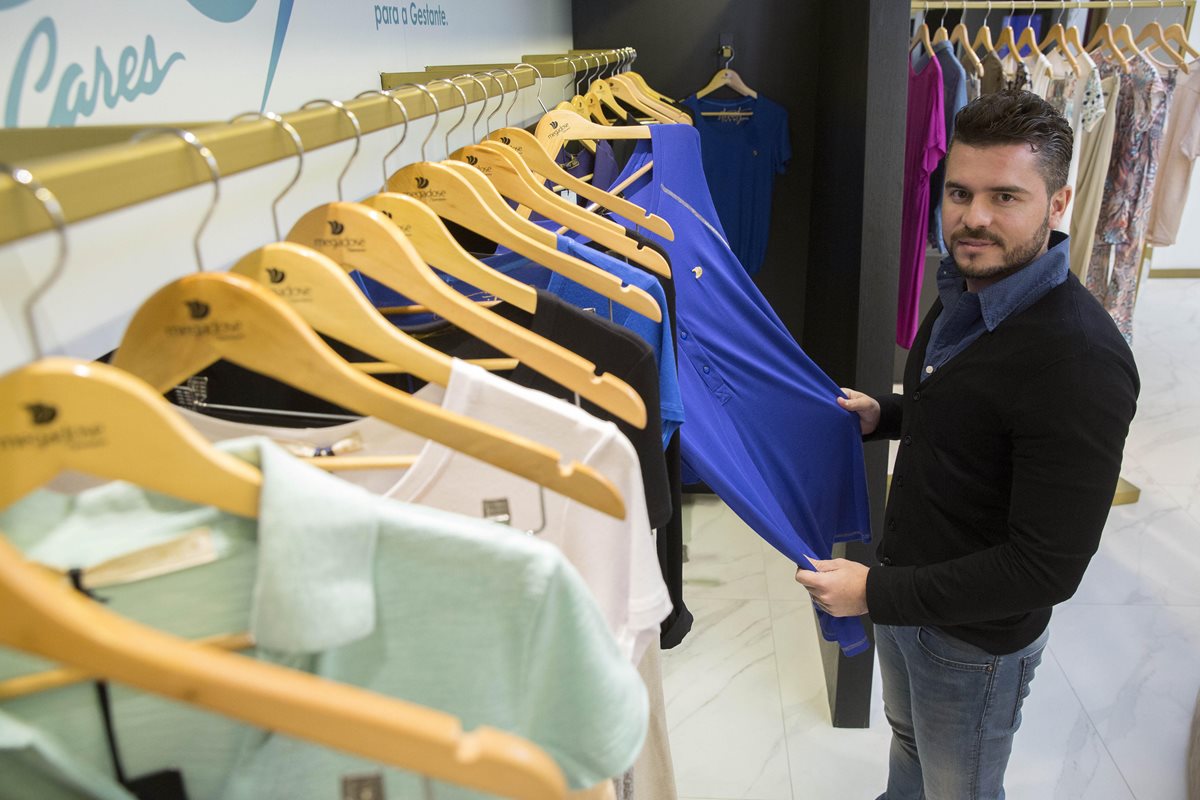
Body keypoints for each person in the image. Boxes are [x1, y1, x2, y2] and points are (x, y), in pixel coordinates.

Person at [794, 89, 1139, 799]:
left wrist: (877, 591)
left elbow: (1046, 569)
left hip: (972, 645)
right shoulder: (969, 285)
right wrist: (884, 414)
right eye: (959, 192)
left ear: (1059, 201)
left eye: (1005, 196)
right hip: (908, 599)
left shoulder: (1079, 361)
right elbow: (975, 416)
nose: (973, 217)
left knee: (961, 785)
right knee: (911, 752)